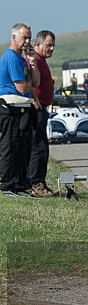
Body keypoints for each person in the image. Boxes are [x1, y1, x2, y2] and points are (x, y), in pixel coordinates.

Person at [0, 23, 35, 196]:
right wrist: (28, 84)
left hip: (21, 107)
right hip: (10, 107)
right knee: (10, 145)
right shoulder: (12, 57)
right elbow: (23, 88)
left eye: (29, 38)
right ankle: (7, 184)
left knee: (22, 147)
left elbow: (33, 82)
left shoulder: (22, 59)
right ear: (14, 37)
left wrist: (33, 62)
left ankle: (19, 184)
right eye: (24, 38)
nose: (27, 41)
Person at [28, 30, 57, 197]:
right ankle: (36, 183)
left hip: (42, 108)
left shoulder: (42, 60)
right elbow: (29, 81)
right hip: (36, 108)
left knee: (41, 147)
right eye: (48, 45)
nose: (52, 48)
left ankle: (38, 182)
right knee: (38, 148)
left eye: (53, 45)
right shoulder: (35, 61)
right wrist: (35, 100)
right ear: (37, 44)